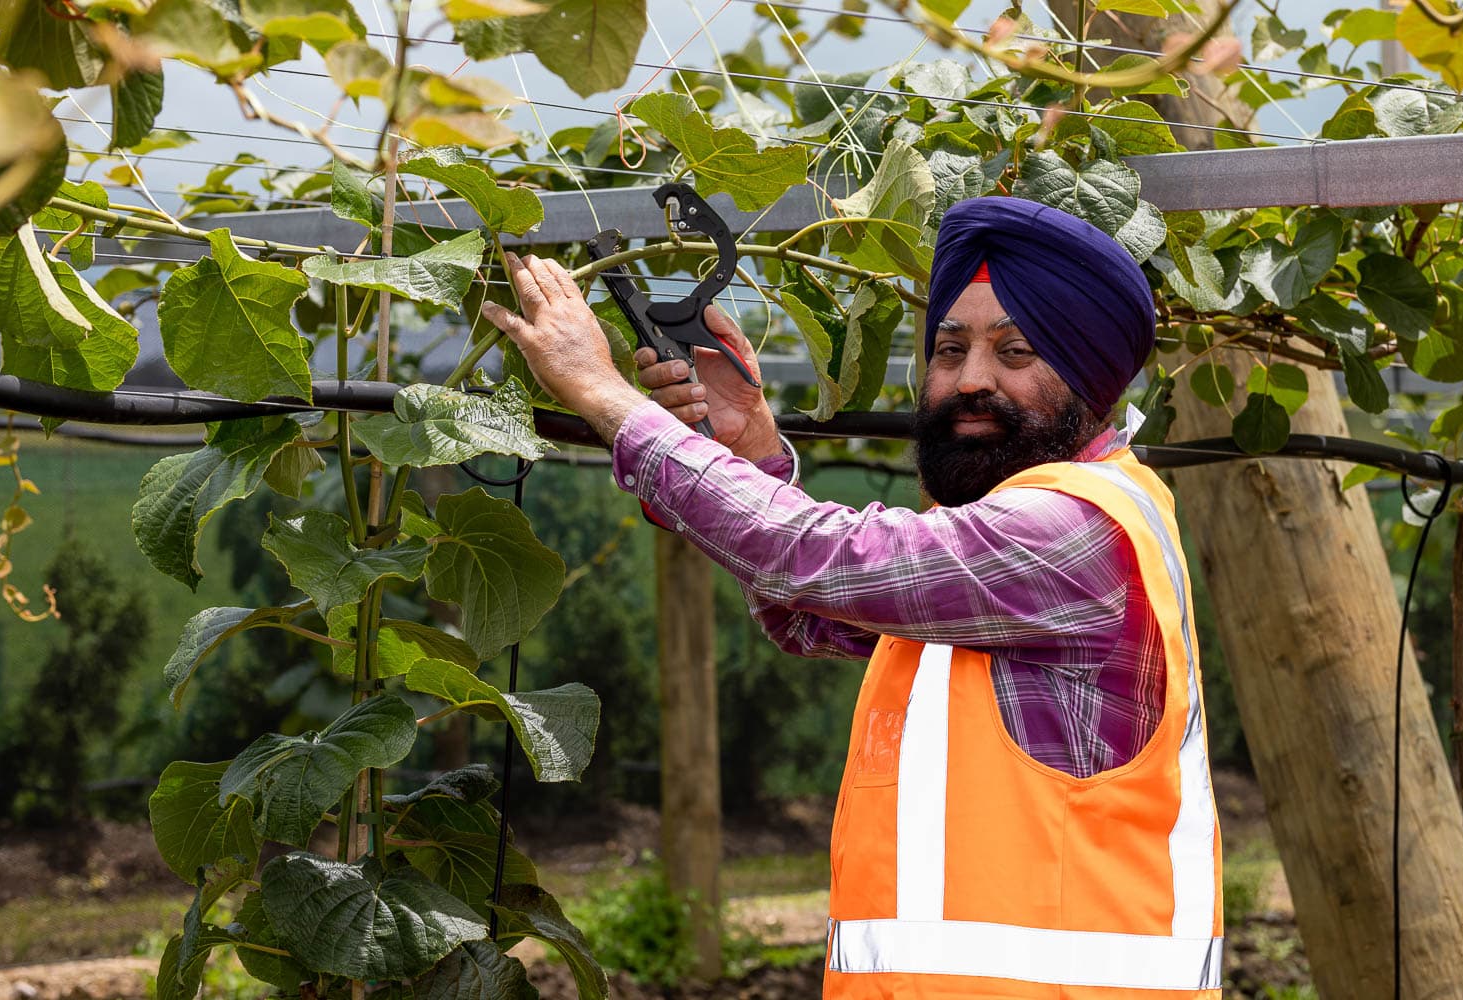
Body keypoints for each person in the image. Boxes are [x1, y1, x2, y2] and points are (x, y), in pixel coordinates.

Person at [481, 196, 1223, 998]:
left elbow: (821, 557)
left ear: (1091, 379)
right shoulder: (992, 560)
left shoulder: (1073, 527)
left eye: (1016, 351)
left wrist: (605, 396)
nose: (970, 379)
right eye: (948, 348)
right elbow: (813, 611)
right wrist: (751, 446)